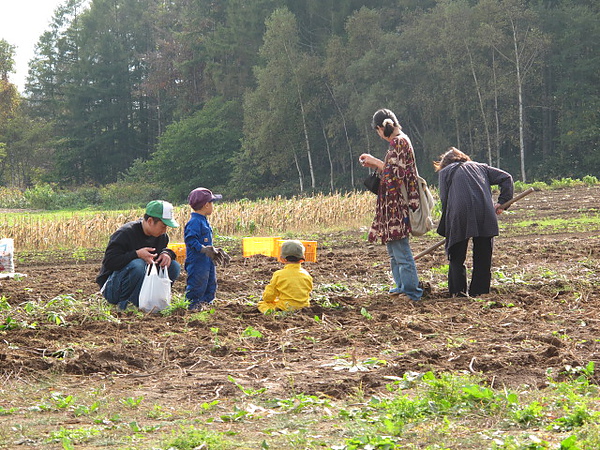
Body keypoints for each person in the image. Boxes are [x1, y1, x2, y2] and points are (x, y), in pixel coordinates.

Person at [359, 108, 424, 302]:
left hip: (397, 205)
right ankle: (401, 286)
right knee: (393, 252)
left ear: (380, 128)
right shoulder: (399, 142)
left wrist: (376, 163)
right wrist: (377, 164)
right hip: (391, 205)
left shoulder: (399, 142)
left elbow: (396, 175)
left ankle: (412, 292)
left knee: (401, 251)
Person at [434, 147, 514, 297]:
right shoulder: (480, 167)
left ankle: (458, 292)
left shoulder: (445, 173)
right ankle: (480, 292)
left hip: (460, 213)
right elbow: (506, 178)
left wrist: (448, 231)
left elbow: (445, 201)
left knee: (456, 256)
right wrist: (502, 202)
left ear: (445, 164)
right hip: (485, 211)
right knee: (483, 256)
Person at [96, 200, 181, 310]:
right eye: (163, 226)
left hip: (142, 286)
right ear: (150, 221)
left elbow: (161, 252)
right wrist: (136, 254)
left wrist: (167, 254)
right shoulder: (125, 233)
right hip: (113, 288)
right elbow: (110, 262)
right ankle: (125, 305)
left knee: (173, 266)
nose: (165, 230)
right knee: (138, 265)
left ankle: (154, 302)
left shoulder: (162, 237)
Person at [184, 187, 230, 310]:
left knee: (210, 283)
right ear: (205, 205)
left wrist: (215, 250)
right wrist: (204, 249)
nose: (213, 206)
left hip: (207, 260)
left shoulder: (203, 221)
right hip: (197, 261)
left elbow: (205, 241)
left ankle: (206, 304)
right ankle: (192, 306)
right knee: (197, 284)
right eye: (211, 203)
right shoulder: (194, 222)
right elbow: (191, 240)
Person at [257, 240, 313, 313]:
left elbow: (269, 296)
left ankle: (272, 313)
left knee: (262, 304)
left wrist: (266, 299)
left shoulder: (279, 275)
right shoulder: (307, 275)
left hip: (285, 307)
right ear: (303, 258)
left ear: (282, 259)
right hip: (303, 307)